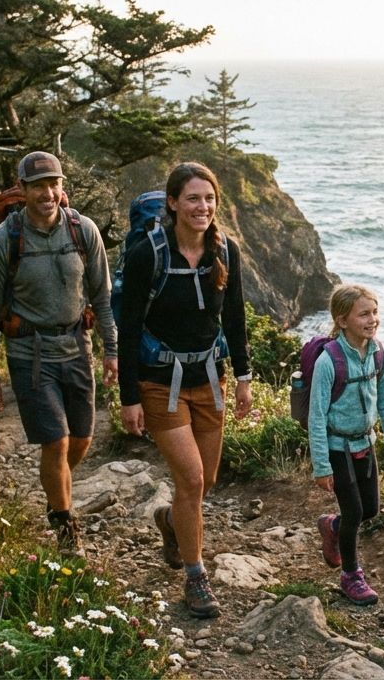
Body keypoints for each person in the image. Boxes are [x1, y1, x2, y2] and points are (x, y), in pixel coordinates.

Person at [117, 161, 252, 618]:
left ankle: (171, 521)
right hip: (159, 383)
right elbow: (129, 326)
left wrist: (245, 378)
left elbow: (233, 318)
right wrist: (129, 396)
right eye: (193, 198)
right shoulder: (148, 255)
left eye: (210, 198)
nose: (203, 206)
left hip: (209, 379)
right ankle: (196, 578)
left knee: (205, 481)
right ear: (172, 203)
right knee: (191, 479)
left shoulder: (224, 250)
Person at [0, 150, 118, 556]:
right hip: (30, 354)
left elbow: (102, 296)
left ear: (62, 186)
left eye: (54, 184)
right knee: (56, 442)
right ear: (22, 189)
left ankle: (55, 490)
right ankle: (65, 527)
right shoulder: (3, 241)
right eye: (38, 185)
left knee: (83, 439)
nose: (47, 193)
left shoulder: (82, 230)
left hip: (77, 348)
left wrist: (112, 350)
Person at [308, 284, 384, 606]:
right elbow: (317, 417)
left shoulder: (378, 353)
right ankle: (351, 575)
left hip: (366, 442)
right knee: (355, 512)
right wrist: (321, 466)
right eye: (364, 313)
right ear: (342, 320)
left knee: (371, 509)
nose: (372, 319)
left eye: (374, 312)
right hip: (338, 447)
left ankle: (331, 526)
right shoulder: (328, 362)